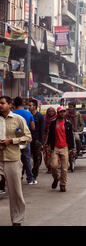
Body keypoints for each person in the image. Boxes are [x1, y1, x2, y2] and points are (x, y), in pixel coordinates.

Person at [0, 95, 32, 226]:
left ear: (10, 104)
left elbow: (28, 137)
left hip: (12, 159)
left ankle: (17, 220)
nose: (0, 105)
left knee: (15, 192)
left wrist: (11, 141)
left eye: (2, 103)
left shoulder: (18, 119)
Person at [47, 106, 76, 192]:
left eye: (64, 112)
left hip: (65, 147)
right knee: (53, 166)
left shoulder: (68, 123)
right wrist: (48, 145)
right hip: (55, 147)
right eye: (60, 112)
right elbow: (50, 135)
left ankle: (63, 184)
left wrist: (73, 148)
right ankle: (56, 178)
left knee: (64, 168)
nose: (62, 113)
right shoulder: (53, 123)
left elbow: (71, 136)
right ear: (58, 113)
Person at [13, 96, 37, 185]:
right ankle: (30, 179)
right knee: (27, 159)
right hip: (25, 140)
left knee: (15, 160)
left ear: (13, 104)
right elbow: (33, 127)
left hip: (14, 140)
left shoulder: (11, 113)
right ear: (23, 104)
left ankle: (16, 179)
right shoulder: (28, 114)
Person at [28, 98, 45, 180]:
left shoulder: (40, 116)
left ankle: (34, 175)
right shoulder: (28, 115)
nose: (29, 107)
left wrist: (41, 142)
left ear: (35, 107)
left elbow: (42, 130)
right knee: (26, 157)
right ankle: (28, 174)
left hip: (36, 140)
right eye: (29, 105)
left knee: (36, 158)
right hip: (28, 139)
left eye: (30, 105)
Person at [43, 106, 57, 173]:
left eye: (52, 111)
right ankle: (48, 167)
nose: (50, 113)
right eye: (49, 111)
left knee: (54, 153)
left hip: (54, 138)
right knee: (46, 153)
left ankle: (54, 166)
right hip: (46, 137)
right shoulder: (45, 119)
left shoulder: (57, 119)